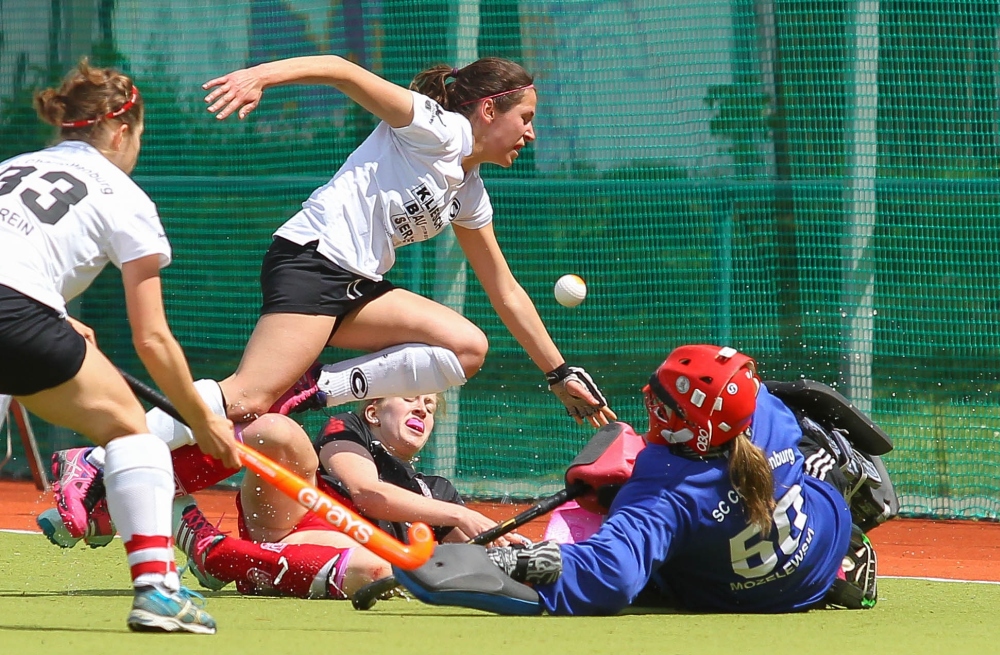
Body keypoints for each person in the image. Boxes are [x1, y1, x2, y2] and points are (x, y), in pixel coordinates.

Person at [199, 55, 616, 429]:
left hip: (357, 284)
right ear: (489, 109)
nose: (531, 133)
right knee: (248, 398)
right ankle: (139, 437)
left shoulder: (469, 192)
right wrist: (259, 76)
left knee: (467, 349)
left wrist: (559, 374)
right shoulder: (438, 128)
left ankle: (317, 388)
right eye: (525, 117)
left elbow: (505, 290)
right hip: (314, 260)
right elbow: (342, 71)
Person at [0, 59, 239, 634]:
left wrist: (48, 312)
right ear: (124, 129)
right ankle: (157, 591)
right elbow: (153, 338)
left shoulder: (10, 166)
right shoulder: (123, 193)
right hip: (15, 312)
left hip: (21, 310)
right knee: (132, 433)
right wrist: (200, 420)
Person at [391, 345, 880, 615]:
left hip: (753, 598)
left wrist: (509, 560)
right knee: (807, 463)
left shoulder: (663, 491)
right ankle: (841, 538)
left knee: (586, 521)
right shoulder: (768, 415)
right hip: (824, 539)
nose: (650, 396)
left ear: (696, 429)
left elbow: (610, 578)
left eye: (662, 401)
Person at [49, 394, 517, 600]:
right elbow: (367, 493)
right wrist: (458, 513)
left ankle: (213, 551)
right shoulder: (348, 431)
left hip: (357, 555)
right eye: (413, 398)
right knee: (272, 428)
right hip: (293, 520)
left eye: (431, 406)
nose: (423, 408)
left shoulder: (436, 491)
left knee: (379, 570)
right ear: (373, 410)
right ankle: (129, 486)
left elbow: (472, 554)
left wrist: (512, 551)